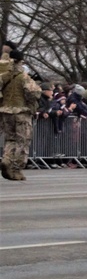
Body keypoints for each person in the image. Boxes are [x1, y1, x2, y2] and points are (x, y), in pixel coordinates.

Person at [0, 43, 39, 181]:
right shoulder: (24, 77)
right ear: (21, 61)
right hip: (21, 111)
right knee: (23, 140)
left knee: (10, 139)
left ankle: (6, 159)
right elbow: (33, 92)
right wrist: (31, 104)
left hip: (5, 111)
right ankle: (16, 168)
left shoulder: (3, 76)